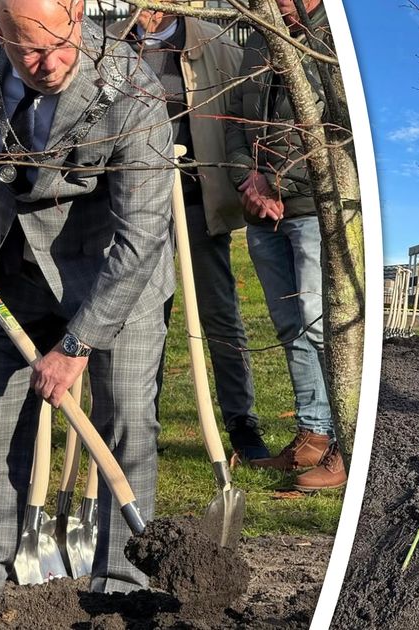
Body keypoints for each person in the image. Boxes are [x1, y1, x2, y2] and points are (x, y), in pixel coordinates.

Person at [0, 0, 174, 619]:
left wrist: (77, 346)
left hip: (111, 271)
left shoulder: (132, 91)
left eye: (61, 45)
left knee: (126, 422)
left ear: (77, 14)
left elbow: (140, 236)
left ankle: (121, 589)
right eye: (29, 50)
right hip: (8, 263)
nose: (50, 63)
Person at [112, 3, 269, 461]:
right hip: (135, 206)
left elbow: (242, 112)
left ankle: (242, 424)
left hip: (197, 202)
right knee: (141, 319)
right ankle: (139, 426)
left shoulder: (211, 41)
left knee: (218, 313)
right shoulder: (112, 42)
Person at [225, 0, 346, 491]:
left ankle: (346, 442)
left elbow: (342, 131)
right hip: (263, 214)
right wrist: (248, 178)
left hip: (316, 209)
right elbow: (234, 121)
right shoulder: (258, 37)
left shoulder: (334, 41)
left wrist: (283, 180)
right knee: (290, 327)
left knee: (321, 325)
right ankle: (314, 432)